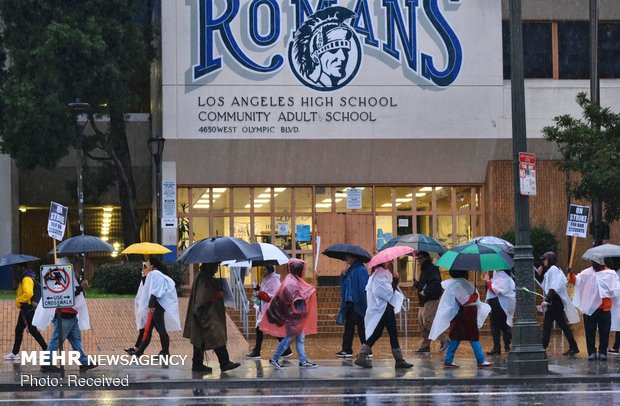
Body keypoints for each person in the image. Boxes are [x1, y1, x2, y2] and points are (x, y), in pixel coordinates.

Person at [33, 257, 96, 372]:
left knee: (76, 340)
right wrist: (81, 287)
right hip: (64, 315)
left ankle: (84, 362)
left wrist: (81, 287)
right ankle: (46, 363)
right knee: (56, 340)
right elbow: (67, 294)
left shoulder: (67, 278)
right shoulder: (60, 279)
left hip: (70, 316)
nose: (75, 268)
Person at [354, 260, 413, 369]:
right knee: (391, 333)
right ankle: (399, 360)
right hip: (384, 308)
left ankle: (362, 357)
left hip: (383, 308)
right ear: (382, 262)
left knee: (379, 333)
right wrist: (395, 280)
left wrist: (394, 280)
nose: (389, 262)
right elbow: (386, 293)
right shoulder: (380, 275)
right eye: (387, 261)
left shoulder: (378, 274)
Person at [261, 259, 318, 369]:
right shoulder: (291, 282)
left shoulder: (292, 279)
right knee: (289, 338)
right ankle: (274, 358)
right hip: (293, 316)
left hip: (295, 315)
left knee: (299, 338)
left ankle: (303, 361)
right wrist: (308, 292)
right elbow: (295, 298)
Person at [429, 269, 492, 369]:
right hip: (465, 314)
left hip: (464, 314)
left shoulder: (458, 283)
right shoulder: (457, 285)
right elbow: (464, 301)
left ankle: (449, 360)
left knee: (456, 337)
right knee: (472, 336)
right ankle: (480, 360)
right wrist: (473, 297)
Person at [184, 262, 240, 373]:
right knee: (216, 335)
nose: (216, 267)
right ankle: (224, 362)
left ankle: (198, 364)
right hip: (206, 315)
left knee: (201, 339)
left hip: (209, 313)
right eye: (215, 265)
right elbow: (201, 299)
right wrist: (214, 296)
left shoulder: (206, 277)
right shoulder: (203, 278)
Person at [569, 254, 620, 361]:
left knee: (604, 331)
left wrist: (608, 291)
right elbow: (576, 281)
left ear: (601, 263)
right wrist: (571, 274)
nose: (593, 265)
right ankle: (591, 352)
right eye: (593, 262)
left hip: (604, 308)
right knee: (590, 331)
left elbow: (616, 289)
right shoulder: (587, 273)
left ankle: (602, 352)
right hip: (590, 308)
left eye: (595, 263)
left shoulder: (610, 274)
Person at [130, 257, 181, 357]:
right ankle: (140, 352)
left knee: (160, 329)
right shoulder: (152, 274)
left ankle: (165, 352)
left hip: (157, 305)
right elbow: (147, 287)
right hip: (156, 304)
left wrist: (152, 301)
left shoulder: (156, 274)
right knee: (149, 328)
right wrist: (144, 275)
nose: (146, 264)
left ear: (152, 265)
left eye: (148, 263)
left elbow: (156, 289)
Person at [536, 251, 580, 356]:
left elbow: (553, 287)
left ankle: (543, 347)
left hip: (554, 302)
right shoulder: (555, 269)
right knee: (563, 326)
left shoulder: (553, 270)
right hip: (556, 302)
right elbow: (547, 284)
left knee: (547, 325)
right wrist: (541, 271)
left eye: (545, 259)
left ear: (550, 259)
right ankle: (574, 347)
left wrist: (547, 300)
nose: (544, 261)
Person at [245, 264, 292, 360]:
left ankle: (257, 351)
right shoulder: (267, 279)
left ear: (269, 270)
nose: (263, 271)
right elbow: (265, 290)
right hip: (265, 308)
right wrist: (259, 289)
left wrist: (262, 294)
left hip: (269, 309)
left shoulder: (274, 280)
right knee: (264, 328)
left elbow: (275, 295)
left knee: (264, 328)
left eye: (264, 269)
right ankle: (286, 350)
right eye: (262, 269)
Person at [4, 263, 47, 360]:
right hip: (26, 307)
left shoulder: (26, 278)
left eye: (17, 268)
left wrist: (20, 300)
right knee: (19, 329)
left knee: (32, 330)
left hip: (28, 307)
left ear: (22, 268)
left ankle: (46, 349)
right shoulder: (26, 278)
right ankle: (15, 353)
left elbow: (28, 293)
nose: (15, 270)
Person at [413, 251, 448, 353]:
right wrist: (417, 284)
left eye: (419, 258)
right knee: (422, 324)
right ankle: (425, 345)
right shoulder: (424, 270)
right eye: (417, 259)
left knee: (428, 321)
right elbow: (425, 284)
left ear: (425, 258)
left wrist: (426, 291)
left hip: (431, 299)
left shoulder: (432, 269)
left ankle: (444, 340)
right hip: (424, 300)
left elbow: (435, 284)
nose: (418, 261)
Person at [335, 254, 369, 358]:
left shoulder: (360, 269)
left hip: (356, 302)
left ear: (354, 258)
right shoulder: (352, 269)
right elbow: (346, 285)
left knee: (360, 327)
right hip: (351, 303)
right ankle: (348, 349)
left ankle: (363, 349)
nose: (346, 259)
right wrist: (343, 275)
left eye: (348, 257)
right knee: (351, 327)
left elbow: (363, 287)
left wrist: (361, 301)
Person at [484, 270, 515, 355]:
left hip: (499, 304)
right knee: (503, 325)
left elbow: (494, 290)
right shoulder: (505, 276)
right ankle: (506, 345)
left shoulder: (502, 276)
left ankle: (499, 347)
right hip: (502, 304)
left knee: (496, 327)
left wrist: (488, 281)